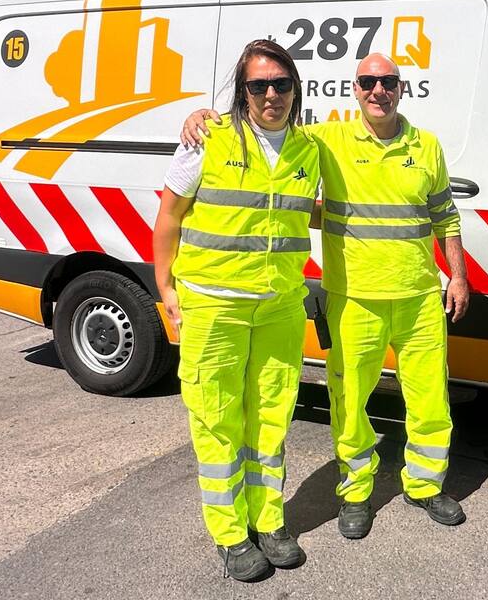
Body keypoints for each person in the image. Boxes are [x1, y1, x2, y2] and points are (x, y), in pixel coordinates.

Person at [182, 52, 470, 540]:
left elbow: (446, 216)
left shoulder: (428, 146)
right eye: (367, 82)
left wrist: (457, 276)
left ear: (402, 88)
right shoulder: (326, 141)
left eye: (388, 81)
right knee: (351, 402)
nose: (378, 90)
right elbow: (262, 126)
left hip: (420, 295)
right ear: (354, 91)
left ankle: (424, 485)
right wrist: (202, 116)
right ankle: (355, 492)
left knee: (430, 400)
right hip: (353, 297)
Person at [153, 39, 320, 581]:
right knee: (218, 422)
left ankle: (269, 521)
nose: (271, 94)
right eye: (258, 85)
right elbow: (169, 218)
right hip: (215, 307)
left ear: (295, 88)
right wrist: (167, 289)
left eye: (281, 83)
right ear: (241, 91)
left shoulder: (309, 149)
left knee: (271, 420)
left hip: (278, 308)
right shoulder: (208, 138)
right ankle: (229, 534)